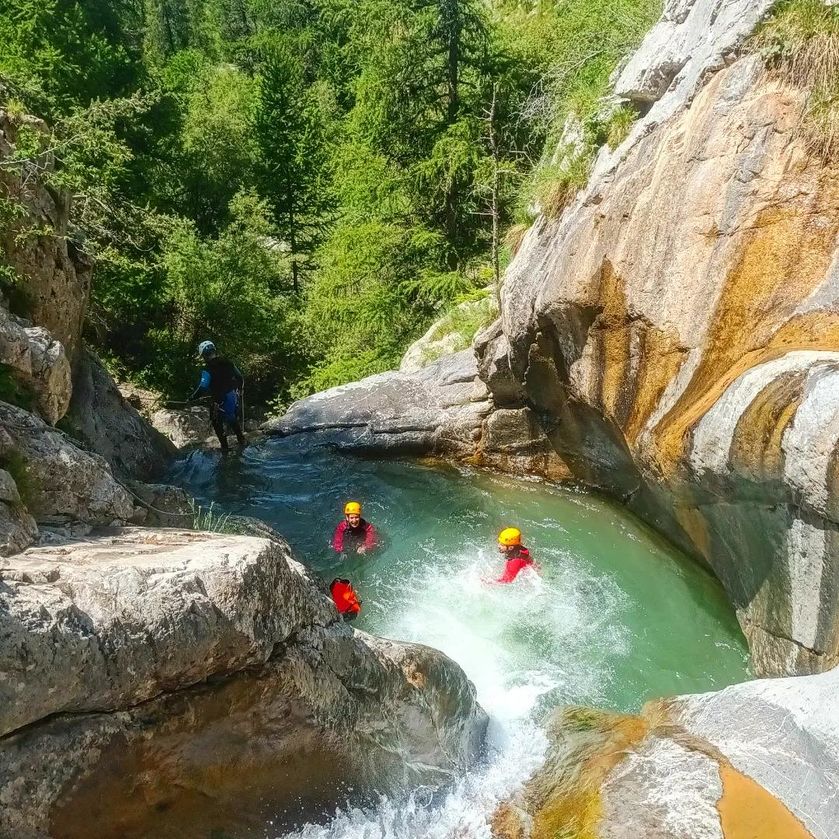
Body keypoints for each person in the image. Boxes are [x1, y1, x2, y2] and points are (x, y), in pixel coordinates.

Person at [191, 340, 246, 453]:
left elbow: (202, 387)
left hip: (220, 400)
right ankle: (241, 440)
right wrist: (240, 390)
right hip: (233, 397)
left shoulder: (207, 370)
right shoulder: (229, 363)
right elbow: (240, 377)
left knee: (216, 421)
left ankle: (225, 448)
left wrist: (192, 398)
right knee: (232, 418)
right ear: (214, 350)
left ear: (204, 356)